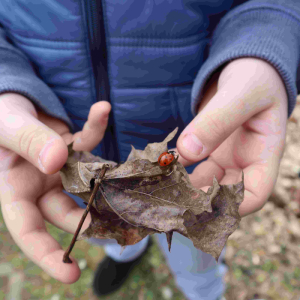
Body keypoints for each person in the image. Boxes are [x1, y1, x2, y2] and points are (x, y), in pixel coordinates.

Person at [0, 0, 299, 299]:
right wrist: (8, 86)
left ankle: (205, 291)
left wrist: (264, 47)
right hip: (78, 164)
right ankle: (125, 255)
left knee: (192, 249)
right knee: (106, 230)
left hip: (190, 171)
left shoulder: (176, 159)